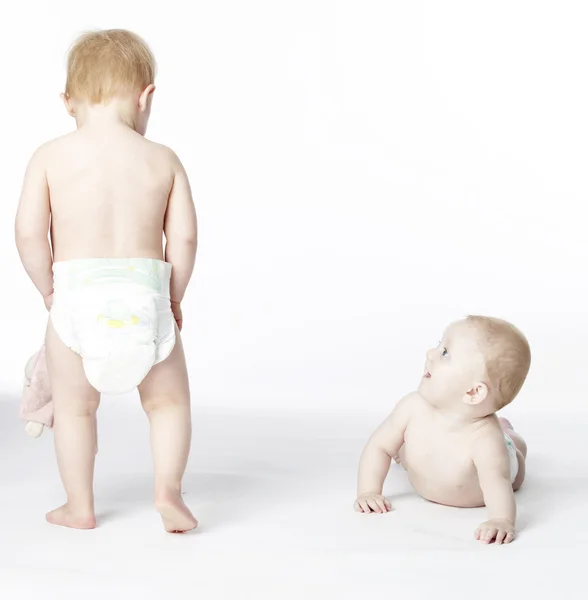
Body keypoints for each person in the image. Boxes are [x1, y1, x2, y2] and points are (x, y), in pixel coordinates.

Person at [15, 29, 198, 533]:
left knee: (75, 410)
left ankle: (79, 505)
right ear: (146, 98)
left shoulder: (50, 156)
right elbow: (183, 241)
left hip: (76, 298)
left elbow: (28, 234)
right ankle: (168, 492)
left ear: (68, 101)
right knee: (167, 404)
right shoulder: (163, 160)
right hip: (146, 297)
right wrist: (174, 298)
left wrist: (50, 293)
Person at [354, 315, 530, 544]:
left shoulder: (485, 438)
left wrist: (501, 519)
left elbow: (497, 483)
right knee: (399, 444)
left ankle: (510, 435)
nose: (430, 353)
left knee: (512, 449)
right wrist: (368, 492)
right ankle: (409, 455)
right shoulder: (412, 406)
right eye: (439, 345)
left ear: (473, 392)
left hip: (501, 461)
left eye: (445, 352)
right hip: (432, 463)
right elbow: (378, 446)